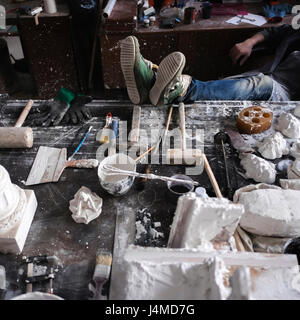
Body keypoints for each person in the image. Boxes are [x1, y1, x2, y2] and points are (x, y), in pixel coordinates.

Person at [120, 24, 300, 106]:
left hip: (286, 94)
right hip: (268, 73)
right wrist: (250, 42)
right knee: (225, 87)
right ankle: (151, 87)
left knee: (257, 84)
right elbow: (277, 31)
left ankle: (175, 88)